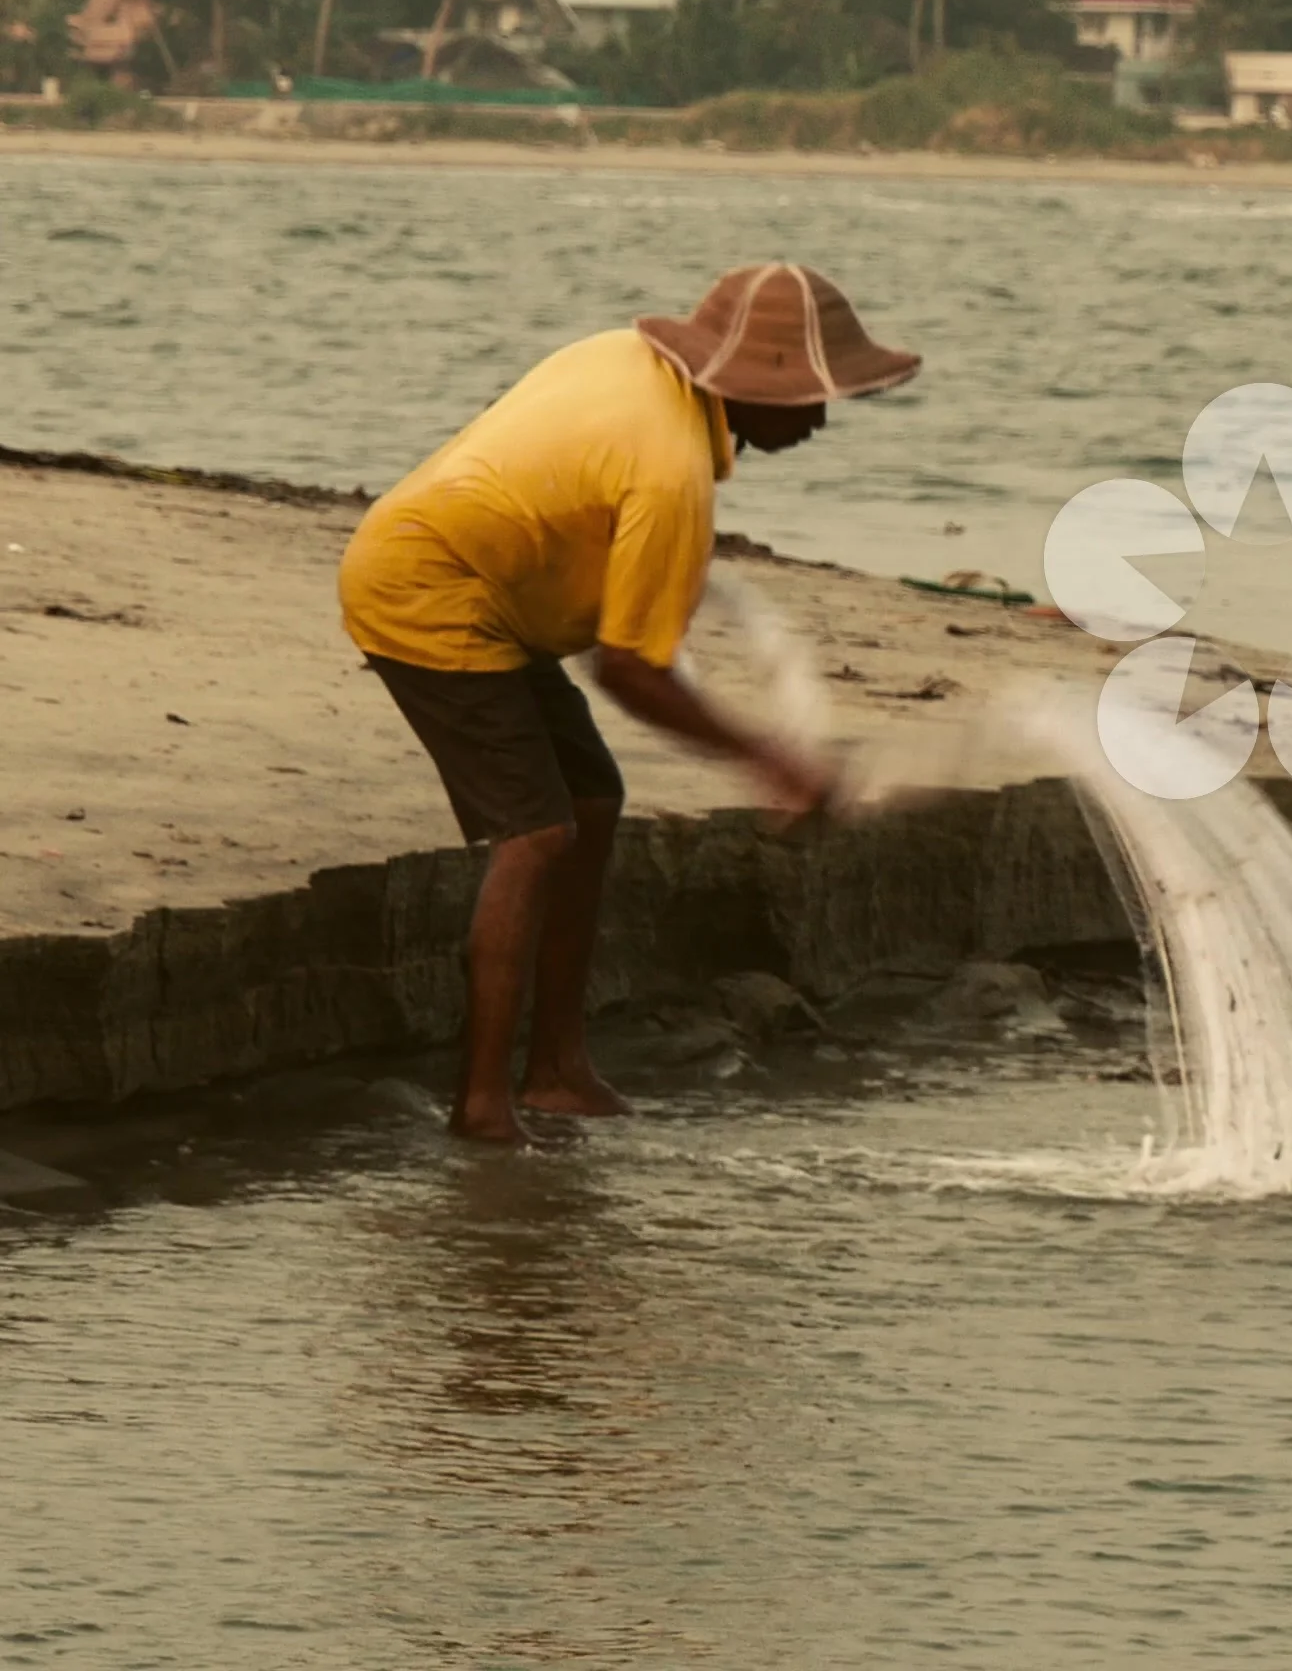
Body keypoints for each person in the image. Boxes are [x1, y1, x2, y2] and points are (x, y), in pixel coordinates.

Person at [337, 263, 922, 1142]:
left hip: (492, 593)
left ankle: (559, 1072)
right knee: (537, 834)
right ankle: (483, 1105)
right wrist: (777, 760)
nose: (818, 418)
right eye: (803, 395)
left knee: (592, 800)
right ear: (744, 386)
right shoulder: (671, 472)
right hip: (425, 591)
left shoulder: (627, 360)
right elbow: (631, 670)